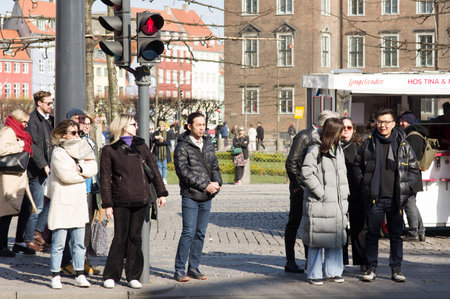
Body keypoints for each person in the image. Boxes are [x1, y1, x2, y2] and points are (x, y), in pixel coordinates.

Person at [100, 114, 168, 289]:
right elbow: (105, 179)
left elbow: (153, 168)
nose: (136, 127)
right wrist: (107, 204)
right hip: (121, 199)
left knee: (135, 238)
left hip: (141, 198)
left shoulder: (141, 145)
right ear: (123, 126)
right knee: (120, 238)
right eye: (133, 124)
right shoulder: (110, 149)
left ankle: (133, 275)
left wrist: (161, 192)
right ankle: (111, 275)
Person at [354, 109, 419, 283]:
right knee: (372, 234)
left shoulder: (402, 144)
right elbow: (357, 166)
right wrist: (363, 182)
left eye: (386, 122)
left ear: (393, 124)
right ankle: (371, 268)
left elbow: (413, 169)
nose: (383, 125)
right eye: (380, 122)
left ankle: (396, 269)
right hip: (374, 196)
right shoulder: (368, 143)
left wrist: (408, 187)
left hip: (396, 198)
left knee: (396, 235)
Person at [284, 110, 338, 274]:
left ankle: (310, 261)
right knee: (295, 222)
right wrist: (296, 184)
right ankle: (290, 261)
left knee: (311, 224)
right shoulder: (304, 136)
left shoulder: (320, 137)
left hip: (312, 187)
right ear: (324, 124)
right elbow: (291, 162)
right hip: (301, 188)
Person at [46, 120, 98, 289]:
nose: (77, 136)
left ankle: (79, 274)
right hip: (63, 201)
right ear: (63, 134)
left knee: (79, 242)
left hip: (78, 201)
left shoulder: (83, 147)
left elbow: (93, 167)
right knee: (59, 242)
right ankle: (55, 274)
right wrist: (83, 173)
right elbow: (65, 175)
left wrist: (81, 169)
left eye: (78, 132)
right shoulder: (58, 152)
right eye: (73, 133)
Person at [173, 112, 222, 282]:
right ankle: (179, 269)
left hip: (207, 196)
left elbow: (214, 165)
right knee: (188, 232)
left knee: (200, 233)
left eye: (204, 124)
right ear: (189, 126)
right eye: (198, 125)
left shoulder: (208, 143)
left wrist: (217, 182)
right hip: (190, 195)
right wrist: (204, 185)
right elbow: (183, 173)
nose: (202, 128)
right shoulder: (182, 147)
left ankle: (193, 267)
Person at [301, 117, 349, 286]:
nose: (344, 133)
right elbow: (306, 173)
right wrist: (321, 193)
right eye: (341, 130)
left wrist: (344, 196)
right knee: (317, 239)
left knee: (335, 237)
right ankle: (314, 273)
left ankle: (333, 271)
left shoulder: (339, 149)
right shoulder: (315, 149)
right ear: (333, 132)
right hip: (320, 203)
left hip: (337, 203)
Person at [14, 91, 53, 254]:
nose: (51, 106)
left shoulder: (47, 120)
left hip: (46, 168)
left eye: (51, 103)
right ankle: (28, 238)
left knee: (48, 201)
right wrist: (43, 164)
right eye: (48, 103)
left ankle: (34, 233)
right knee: (34, 206)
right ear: (39, 103)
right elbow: (34, 145)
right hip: (36, 170)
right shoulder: (33, 120)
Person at [0, 110, 35, 257]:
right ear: (18, 120)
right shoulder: (9, 131)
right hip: (9, 178)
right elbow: (1, 149)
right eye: (24, 122)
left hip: (17, 177)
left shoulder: (17, 131)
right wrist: (19, 146)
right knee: (6, 213)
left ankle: (18, 242)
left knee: (26, 207)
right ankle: (3, 246)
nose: (26, 126)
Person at [341, 117, 366, 271]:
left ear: (353, 129)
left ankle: (362, 260)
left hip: (357, 191)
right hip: (340, 192)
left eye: (349, 127)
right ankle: (341, 260)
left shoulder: (360, 146)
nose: (346, 130)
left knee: (360, 227)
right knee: (340, 228)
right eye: (343, 127)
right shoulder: (333, 146)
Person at [398, 111, 426, 242]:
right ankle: (420, 231)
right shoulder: (412, 134)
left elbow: (409, 158)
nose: (400, 123)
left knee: (409, 203)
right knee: (412, 203)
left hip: (410, 175)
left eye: (403, 121)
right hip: (413, 175)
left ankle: (413, 231)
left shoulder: (412, 137)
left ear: (408, 121)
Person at [152, 120, 171, 185]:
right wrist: (157, 139)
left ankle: (164, 178)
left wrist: (162, 141)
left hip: (165, 152)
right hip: (158, 152)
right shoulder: (156, 133)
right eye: (160, 126)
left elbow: (168, 143)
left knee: (164, 166)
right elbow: (153, 141)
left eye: (162, 126)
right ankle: (160, 179)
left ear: (165, 127)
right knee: (159, 166)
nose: (161, 127)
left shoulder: (167, 133)